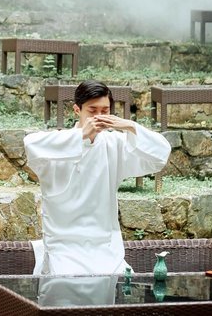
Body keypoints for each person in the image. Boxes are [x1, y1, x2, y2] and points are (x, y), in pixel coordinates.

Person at [24, 80, 171, 275]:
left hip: (105, 245)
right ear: (77, 110)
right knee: (68, 279)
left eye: (105, 111)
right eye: (92, 111)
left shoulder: (114, 144)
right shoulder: (60, 143)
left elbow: (160, 155)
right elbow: (30, 144)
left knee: (122, 278)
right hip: (64, 245)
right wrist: (81, 135)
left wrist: (130, 126)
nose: (99, 117)